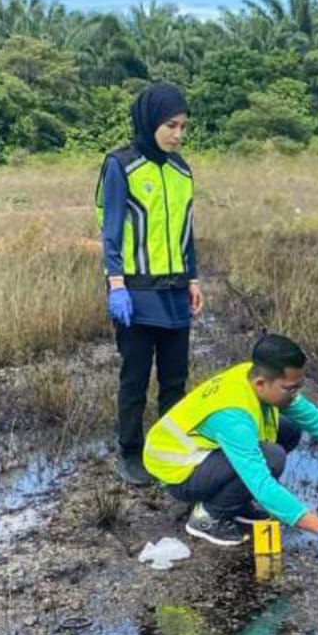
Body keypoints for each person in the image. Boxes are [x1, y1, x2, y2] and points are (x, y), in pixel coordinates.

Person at [142, 333, 318, 551]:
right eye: (290, 389)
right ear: (262, 383)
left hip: (203, 452)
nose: (295, 395)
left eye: (298, 387)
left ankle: (235, 504)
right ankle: (207, 517)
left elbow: (311, 417)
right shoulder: (234, 418)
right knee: (272, 458)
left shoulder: (253, 375)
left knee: (289, 429)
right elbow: (262, 485)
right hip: (177, 472)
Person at [95, 82, 203, 486]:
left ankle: (167, 449)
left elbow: (187, 232)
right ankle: (130, 452)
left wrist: (192, 278)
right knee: (135, 377)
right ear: (149, 122)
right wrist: (116, 283)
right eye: (170, 125)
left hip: (175, 293)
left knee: (175, 379)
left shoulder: (182, 170)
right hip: (136, 292)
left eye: (183, 127)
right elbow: (110, 230)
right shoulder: (121, 165)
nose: (177, 134)